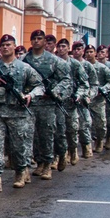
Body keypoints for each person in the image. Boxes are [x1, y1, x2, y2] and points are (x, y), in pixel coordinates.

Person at [0, 34, 43, 193]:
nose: (5, 48)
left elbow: (39, 86)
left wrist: (30, 95)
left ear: (14, 47)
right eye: (2, 45)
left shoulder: (24, 68)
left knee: (18, 147)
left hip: (18, 113)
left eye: (8, 45)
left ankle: (20, 172)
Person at [23, 30, 72, 178]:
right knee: (31, 135)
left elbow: (66, 80)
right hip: (30, 103)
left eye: (40, 39)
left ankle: (49, 163)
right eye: (34, 39)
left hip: (47, 103)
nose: (37, 41)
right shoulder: (24, 60)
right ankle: (39, 162)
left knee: (47, 134)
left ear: (45, 42)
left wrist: (54, 92)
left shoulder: (54, 61)